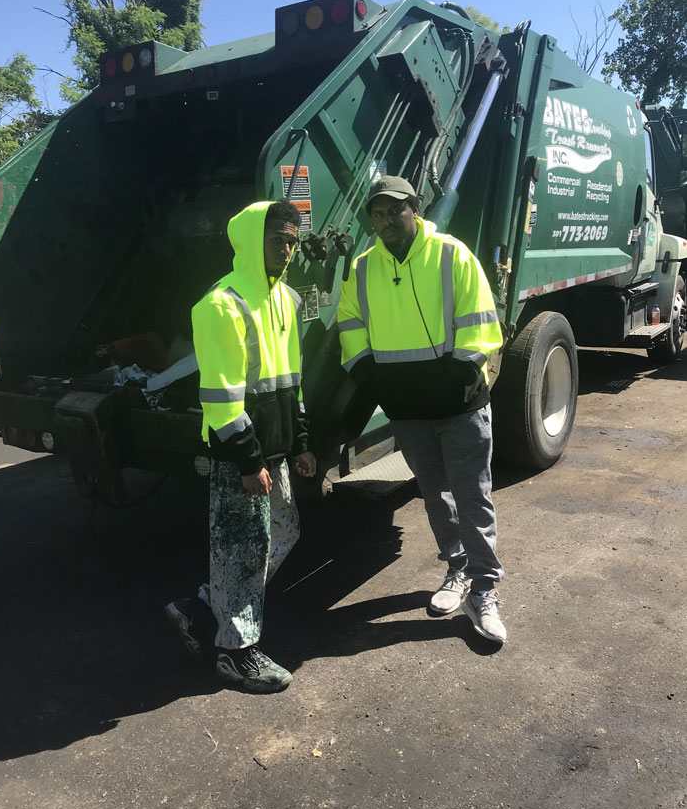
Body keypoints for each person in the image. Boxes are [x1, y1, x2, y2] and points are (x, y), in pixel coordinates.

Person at [338, 176, 507, 643]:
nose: (386, 220)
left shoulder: (451, 254)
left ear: (415, 209)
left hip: (459, 406)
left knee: (473, 494)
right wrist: (368, 374)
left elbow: (481, 318)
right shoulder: (363, 267)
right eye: (377, 213)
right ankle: (457, 571)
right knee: (435, 494)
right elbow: (349, 323)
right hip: (407, 410)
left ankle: (484, 589)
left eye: (395, 210)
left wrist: (459, 373)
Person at [165, 200, 316, 692]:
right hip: (241, 456)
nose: (288, 249)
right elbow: (222, 400)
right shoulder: (221, 305)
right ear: (252, 240)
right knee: (244, 549)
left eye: (293, 241)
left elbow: (293, 380)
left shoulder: (287, 299)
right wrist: (248, 461)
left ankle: (204, 605)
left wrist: (301, 442)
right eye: (278, 239)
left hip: (275, 449)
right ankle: (236, 653)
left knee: (283, 532)